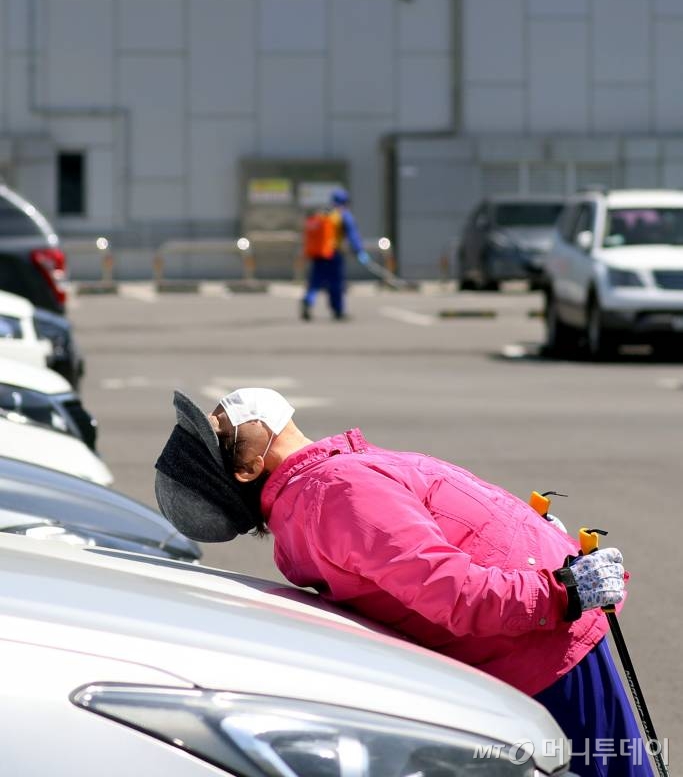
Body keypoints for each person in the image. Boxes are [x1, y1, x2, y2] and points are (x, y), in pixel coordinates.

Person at [156, 388, 651, 777]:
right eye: (221, 428)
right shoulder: (333, 494)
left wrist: (530, 534)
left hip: (538, 648)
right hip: (543, 655)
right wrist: (564, 590)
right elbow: (450, 589)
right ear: (247, 465)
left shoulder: (321, 489)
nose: (223, 411)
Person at [300, 188, 369, 321]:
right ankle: (337, 310)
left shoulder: (323, 213)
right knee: (336, 283)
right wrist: (359, 251)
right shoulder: (343, 215)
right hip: (333, 254)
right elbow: (353, 235)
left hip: (318, 254)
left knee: (314, 282)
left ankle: (308, 301)